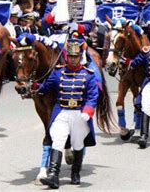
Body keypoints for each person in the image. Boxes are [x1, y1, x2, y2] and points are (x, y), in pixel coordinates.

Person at [31, 38, 99, 189]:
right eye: (71, 56)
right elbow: (46, 87)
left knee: (77, 143)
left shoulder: (88, 75)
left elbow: (93, 95)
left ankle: (75, 173)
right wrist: (36, 86)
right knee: (58, 140)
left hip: (79, 114)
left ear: (81, 57)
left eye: (76, 56)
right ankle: (53, 175)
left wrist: (88, 111)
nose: (73, 59)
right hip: (62, 111)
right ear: (67, 56)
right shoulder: (58, 72)